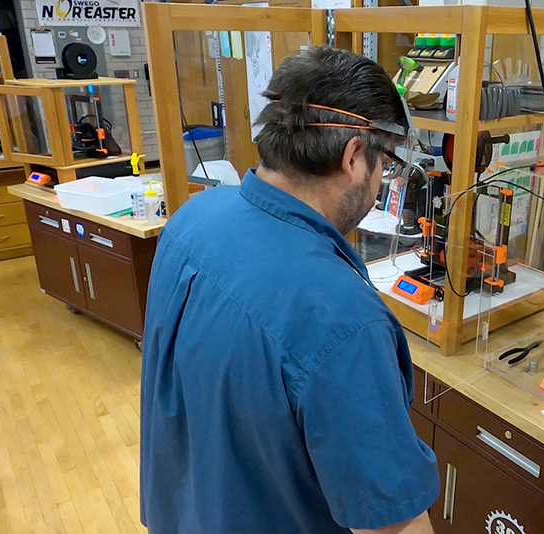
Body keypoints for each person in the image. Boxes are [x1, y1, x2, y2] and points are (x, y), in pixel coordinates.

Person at [140, 46, 439, 534]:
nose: (383, 176)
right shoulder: (341, 320)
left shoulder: (193, 218)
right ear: (353, 157)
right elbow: (392, 525)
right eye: (383, 160)